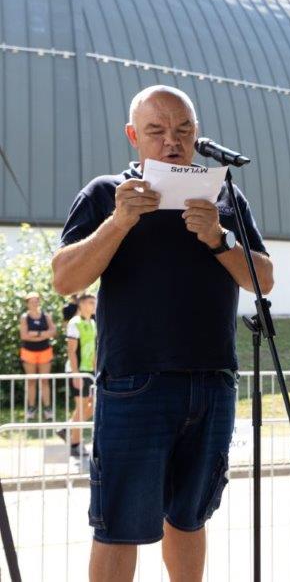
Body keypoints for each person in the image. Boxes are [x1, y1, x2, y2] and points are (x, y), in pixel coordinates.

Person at [51, 85, 273, 582]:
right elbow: (65, 279)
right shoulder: (106, 193)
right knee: (119, 525)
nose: (172, 141)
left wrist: (218, 238)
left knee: (190, 518)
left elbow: (263, 278)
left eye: (183, 130)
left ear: (197, 133)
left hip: (212, 380)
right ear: (133, 136)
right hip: (135, 381)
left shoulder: (224, 195)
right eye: (156, 131)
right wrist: (119, 222)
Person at [65, 293, 97, 459]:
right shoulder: (74, 322)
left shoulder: (93, 322)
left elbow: (93, 350)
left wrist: (96, 371)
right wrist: (76, 374)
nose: (94, 306)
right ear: (82, 304)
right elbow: (71, 351)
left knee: (93, 404)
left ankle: (67, 428)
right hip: (77, 370)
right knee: (81, 406)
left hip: (90, 372)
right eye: (91, 302)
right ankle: (75, 444)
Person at [19, 291, 56, 420]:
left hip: (45, 351)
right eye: (32, 301)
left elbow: (53, 332)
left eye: (36, 301)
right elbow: (24, 336)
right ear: (27, 303)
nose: (35, 303)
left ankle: (47, 409)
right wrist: (44, 334)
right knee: (31, 381)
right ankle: (31, 408)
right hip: (28, 352)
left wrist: (36, 334)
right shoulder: (24, 317)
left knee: (45, 381)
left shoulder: (46, 316)